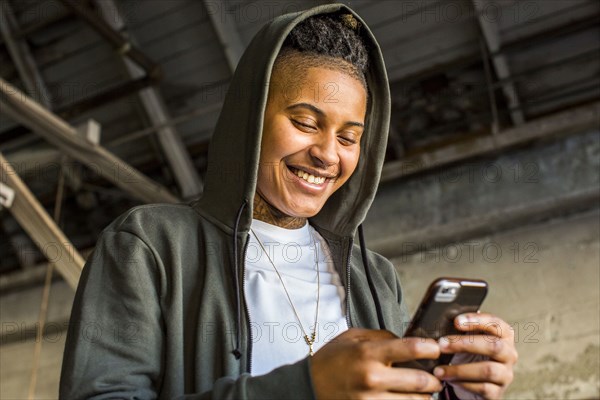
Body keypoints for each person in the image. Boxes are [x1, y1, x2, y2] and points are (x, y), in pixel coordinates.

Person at [59, 4, 517, 399]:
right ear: (251, 118)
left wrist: (454, 387)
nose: (327, 153)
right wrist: (306, 388)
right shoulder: (150, 244)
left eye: (349, 136)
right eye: (305, 121)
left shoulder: (374, 278)